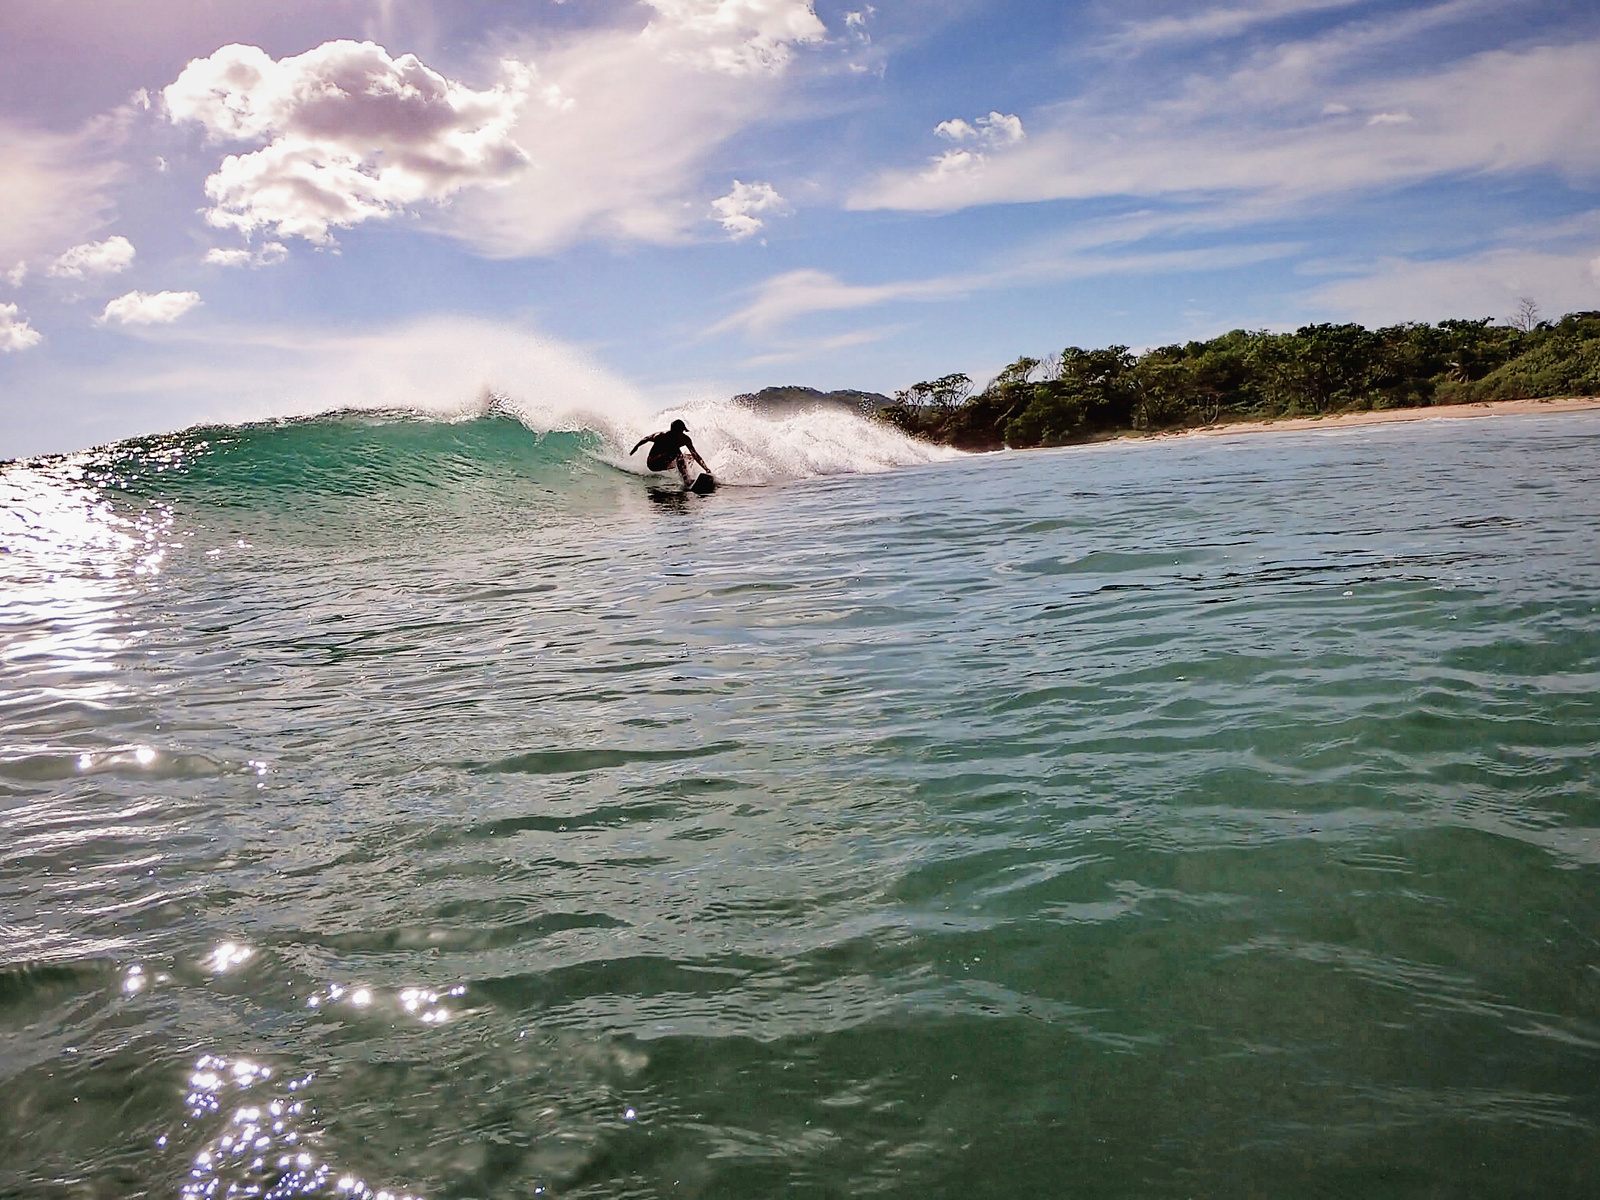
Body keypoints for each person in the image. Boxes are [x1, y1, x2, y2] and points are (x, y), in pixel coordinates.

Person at [631, 418, 710, 488]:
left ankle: (689, 477)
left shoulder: (685, 439)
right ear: (672, 430)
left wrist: (706, 469)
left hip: (666, 463)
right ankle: (686, 479)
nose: (678, 434)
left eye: (680, 432)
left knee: (690, 457)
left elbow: (696, 455)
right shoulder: (662, 436)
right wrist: (635, 448)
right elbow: (646, 439)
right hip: (653, 463)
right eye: (675, 432)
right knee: (676, 452)